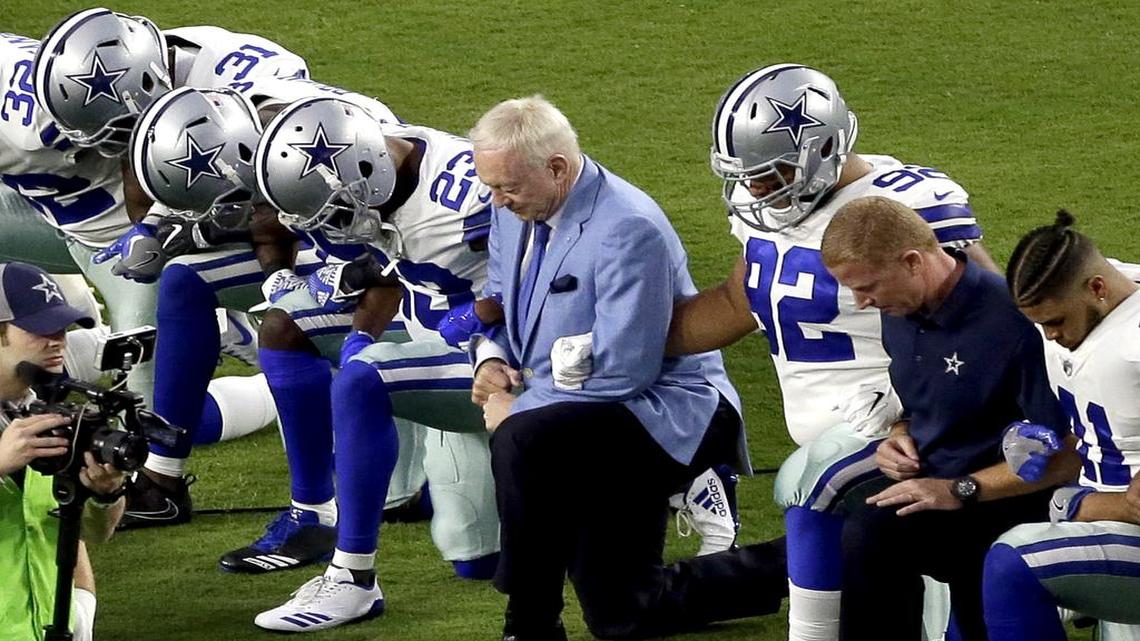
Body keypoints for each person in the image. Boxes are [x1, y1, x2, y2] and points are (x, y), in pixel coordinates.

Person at [665, 63, 999, 641]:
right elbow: (739, 300)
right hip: (844, 432)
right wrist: (626, 347)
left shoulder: (907, 203)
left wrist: (914, 406)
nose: (757, 190)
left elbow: (989, 317)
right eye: (748, 176)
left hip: (907, 428)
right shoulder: (767, 213)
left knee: (809, 483)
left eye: (773, 173)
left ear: (824, 147)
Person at [128, 81, 498, 591]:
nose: (292, 223)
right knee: (293, 331)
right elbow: (299, 231)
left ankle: (355, 564)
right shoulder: (298, 154)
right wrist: (291, 281)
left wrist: (483, 317)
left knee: (477, 553)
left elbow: (538, 271)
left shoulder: (453, 197)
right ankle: (328, 528)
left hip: (487, 348)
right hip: (420, 313)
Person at [469, 95, 787, 641]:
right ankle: (812, 558)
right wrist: (492, 357)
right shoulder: (518, 210)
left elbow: (625, 371)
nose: (496, 202)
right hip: (579, 413)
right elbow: (500, 301)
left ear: (558, 169)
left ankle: (530, 622)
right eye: (491, 187)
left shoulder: (627, 227)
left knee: (524, 441)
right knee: (625, 613)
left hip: (663, 411)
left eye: (506, 188)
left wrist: (517, 408)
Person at [30, 7, 312, 527]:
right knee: (167, 315)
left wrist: (177, 233)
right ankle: (166, 469)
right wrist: (153, 230)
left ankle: (281, 385)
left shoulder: (255, 88)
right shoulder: (141, 85)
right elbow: (140, 185)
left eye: (117, 130)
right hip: (228, 216)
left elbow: (278, 207)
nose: (106, 147)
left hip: (305, 227)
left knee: (145, 396)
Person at [241, 95, 509, 632]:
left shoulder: (470, 197)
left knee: (364, 380)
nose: (333, 230)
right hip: (436, 336)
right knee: (476, 561)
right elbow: (394, 259)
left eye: (338, 213)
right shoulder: (378, 157)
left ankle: (352, 578)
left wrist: (480, 316)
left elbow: (548, 269)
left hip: (508, 358)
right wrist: (362, 328)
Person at [817, 196, 1080, 641]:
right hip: (935, 485)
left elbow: (1069, 452)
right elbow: (921, 401)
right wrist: (899, 436)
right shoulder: (898, 309)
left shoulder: (1013, 323)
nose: (862, 302)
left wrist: (961, 490)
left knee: (875, 534)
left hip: (1007, 499)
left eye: (868, 287)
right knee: (868, 528)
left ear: (913, 261)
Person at [981, 211, 1140, 641]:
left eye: (1054, 322)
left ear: (1098, 289)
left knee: (1013, 564)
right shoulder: (1100, 293)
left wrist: (1072, 504)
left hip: (1120, 527)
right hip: (1096, 513)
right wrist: (1045, 443)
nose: (1049, 336)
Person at [0, 261, 127, 641]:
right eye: (40, 329)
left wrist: (106, 494)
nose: (58, 339)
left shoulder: (49, 414)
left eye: (62, 327)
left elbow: (88, 532)